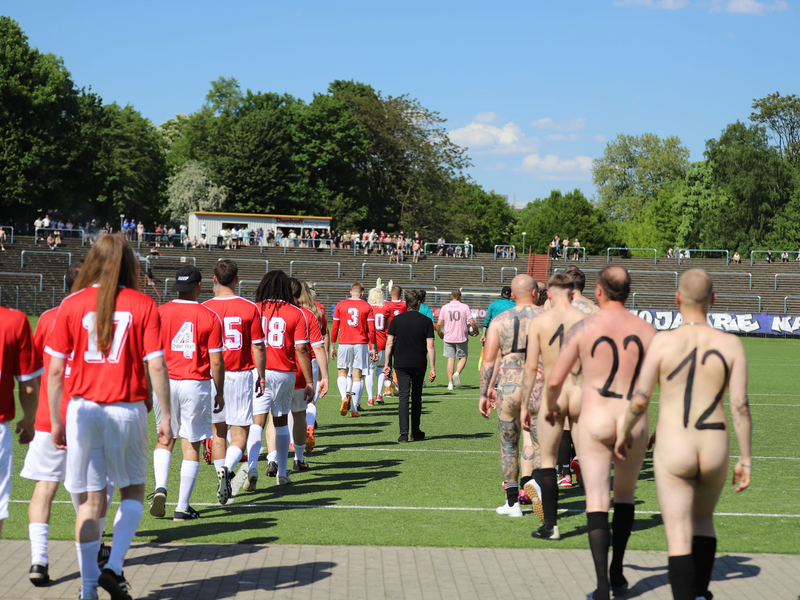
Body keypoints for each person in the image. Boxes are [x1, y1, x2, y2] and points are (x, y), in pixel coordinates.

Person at [45, 234, 172, 600]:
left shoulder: (71, 303)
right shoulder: (142, 303)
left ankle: (88, 591)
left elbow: (55, 372)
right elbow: (157, 366)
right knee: (132, 490)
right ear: (129, 263)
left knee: (89, 502)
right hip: (127, 407)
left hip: (82, 410)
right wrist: (165, 417)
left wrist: (56, 419)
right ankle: (114, 566)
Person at [615, 269, 751, 600]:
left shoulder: (663, 341)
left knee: (677, 534)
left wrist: (623, 431)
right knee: (703, 521)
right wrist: (746, 457)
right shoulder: (731, 343)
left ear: (677, 299)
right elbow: (739, 405)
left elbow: (640, 398)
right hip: (714, 442)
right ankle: (701, 593)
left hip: (675, 442)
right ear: (714, 300)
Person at [543, 266, 656, 600]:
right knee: (624, 495)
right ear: (629, 291)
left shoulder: (584, 327)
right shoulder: (647, 330)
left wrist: (551, 406)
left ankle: (602, 586)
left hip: (595, 418)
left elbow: (554, 379)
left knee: (596, 498)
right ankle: (618, 572)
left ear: (599, 291)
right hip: (633, 420)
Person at [22, 262, 87, 586]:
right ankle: (91, 556)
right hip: (86, 416)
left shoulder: (47, 319)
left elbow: (33, 369)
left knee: (43, 489)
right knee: (86, 493)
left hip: (49, 418)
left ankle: (39, 559)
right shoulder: (96, 319)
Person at [149, 266, 225, 522]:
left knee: (164, 436)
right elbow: (216, 362)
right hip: (195, 381)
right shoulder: (209, 315)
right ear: (199, 286)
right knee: (190, 443)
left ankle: (161, 486)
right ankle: (182, 507)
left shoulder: (159, 313)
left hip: (165, 381)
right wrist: (220, 391)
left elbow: (149, 354)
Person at [520, 273, 588, 539]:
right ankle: (596, 522)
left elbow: (530, 368)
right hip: (580, 392)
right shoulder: (587, 321)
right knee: (587, 458)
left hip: (553, 392)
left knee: (547, 460)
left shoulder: (540, 322)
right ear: (572, 293)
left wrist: (525, 404)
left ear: (548, 294)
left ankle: (551, 526)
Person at [478, 276, 542, 519]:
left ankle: (512, 503)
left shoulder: (500, 320)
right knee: (539, 445)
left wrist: (485, 392)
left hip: (509, 385)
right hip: (538, 385)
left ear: (512, 295)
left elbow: (489, 360)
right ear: (535, 293)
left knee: (508, 445)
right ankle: (537, 485)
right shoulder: (546, 318)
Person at [203, 260, 266, 496]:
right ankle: (227, 470)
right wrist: (261, 376)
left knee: (218, 432)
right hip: (240, 375)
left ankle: (221, 477)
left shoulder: (205, 307)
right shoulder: (250, 308)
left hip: (212, 375)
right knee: (239, 435)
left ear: (215, 280)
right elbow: (258, 347)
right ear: (237, 280)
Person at [254, 271, 313, 485]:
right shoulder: (295, 312)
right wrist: (309, 381)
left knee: (257, 422)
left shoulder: (255, 308)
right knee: (280, 421)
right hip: (284, 372)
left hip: (257, 371)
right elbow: (301, 350)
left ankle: (252, 466)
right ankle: (282, 472)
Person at [384, 290, 436, 442]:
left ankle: (403, 433)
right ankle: (416, 431)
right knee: (417, 397)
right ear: (418, 303)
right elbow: (430, 346)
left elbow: (389, 342)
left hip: (401, 362)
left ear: (406, 304)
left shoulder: (397, 320)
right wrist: (433, 367)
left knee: (403, 397)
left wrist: (387, 364)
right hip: (419, 363)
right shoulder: (426, 321)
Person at [330, 283, 377, 417]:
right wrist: (372, 347)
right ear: (362, 293)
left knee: (342, 373)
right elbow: (371, 330)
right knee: (358, 377)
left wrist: (333, 345)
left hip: (344, 343)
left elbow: (334, 327)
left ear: (351, 292)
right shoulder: (367, 306)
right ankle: (354, 409)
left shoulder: (340, 305)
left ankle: (344, 397)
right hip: (361, 344)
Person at [436, 289, 478, 390]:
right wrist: (476, 331)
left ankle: (450, 383)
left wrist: (440, 333)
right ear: (460, 297)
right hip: (461, 336)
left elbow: (438, 324)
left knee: (451, 359)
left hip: (449, 336)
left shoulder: (445, 307)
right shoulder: (464, 307)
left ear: (452, 296)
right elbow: (472, 322)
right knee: (463, 358)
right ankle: (457, 373)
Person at [367, 286, 392, 406]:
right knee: (381, 369)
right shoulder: (385, 309)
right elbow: (386, 327)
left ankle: (370, 398)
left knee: (369, 370)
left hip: (368, 343)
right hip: (381, 341)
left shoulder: (367, 308)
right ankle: (379, 394)